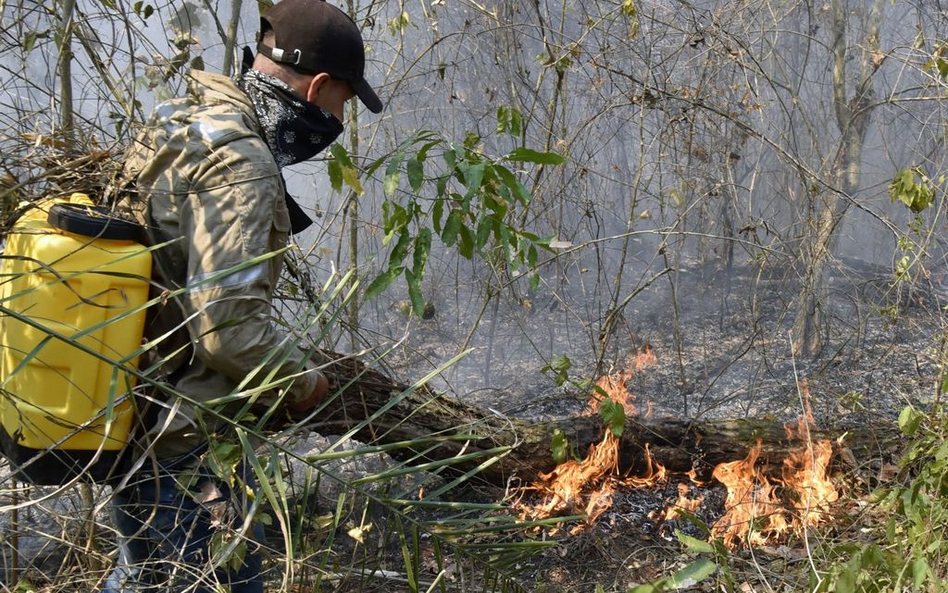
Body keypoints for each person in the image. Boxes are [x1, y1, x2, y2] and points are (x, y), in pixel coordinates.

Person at [105, 0, 382, 590]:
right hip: (179, 442)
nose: (338, 118)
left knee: (147, 578)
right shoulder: (244, 166)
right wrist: (305, 384)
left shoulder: (185, 116)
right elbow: (227, 331)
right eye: (343, 103)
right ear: (320, 87)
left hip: (138, 419)